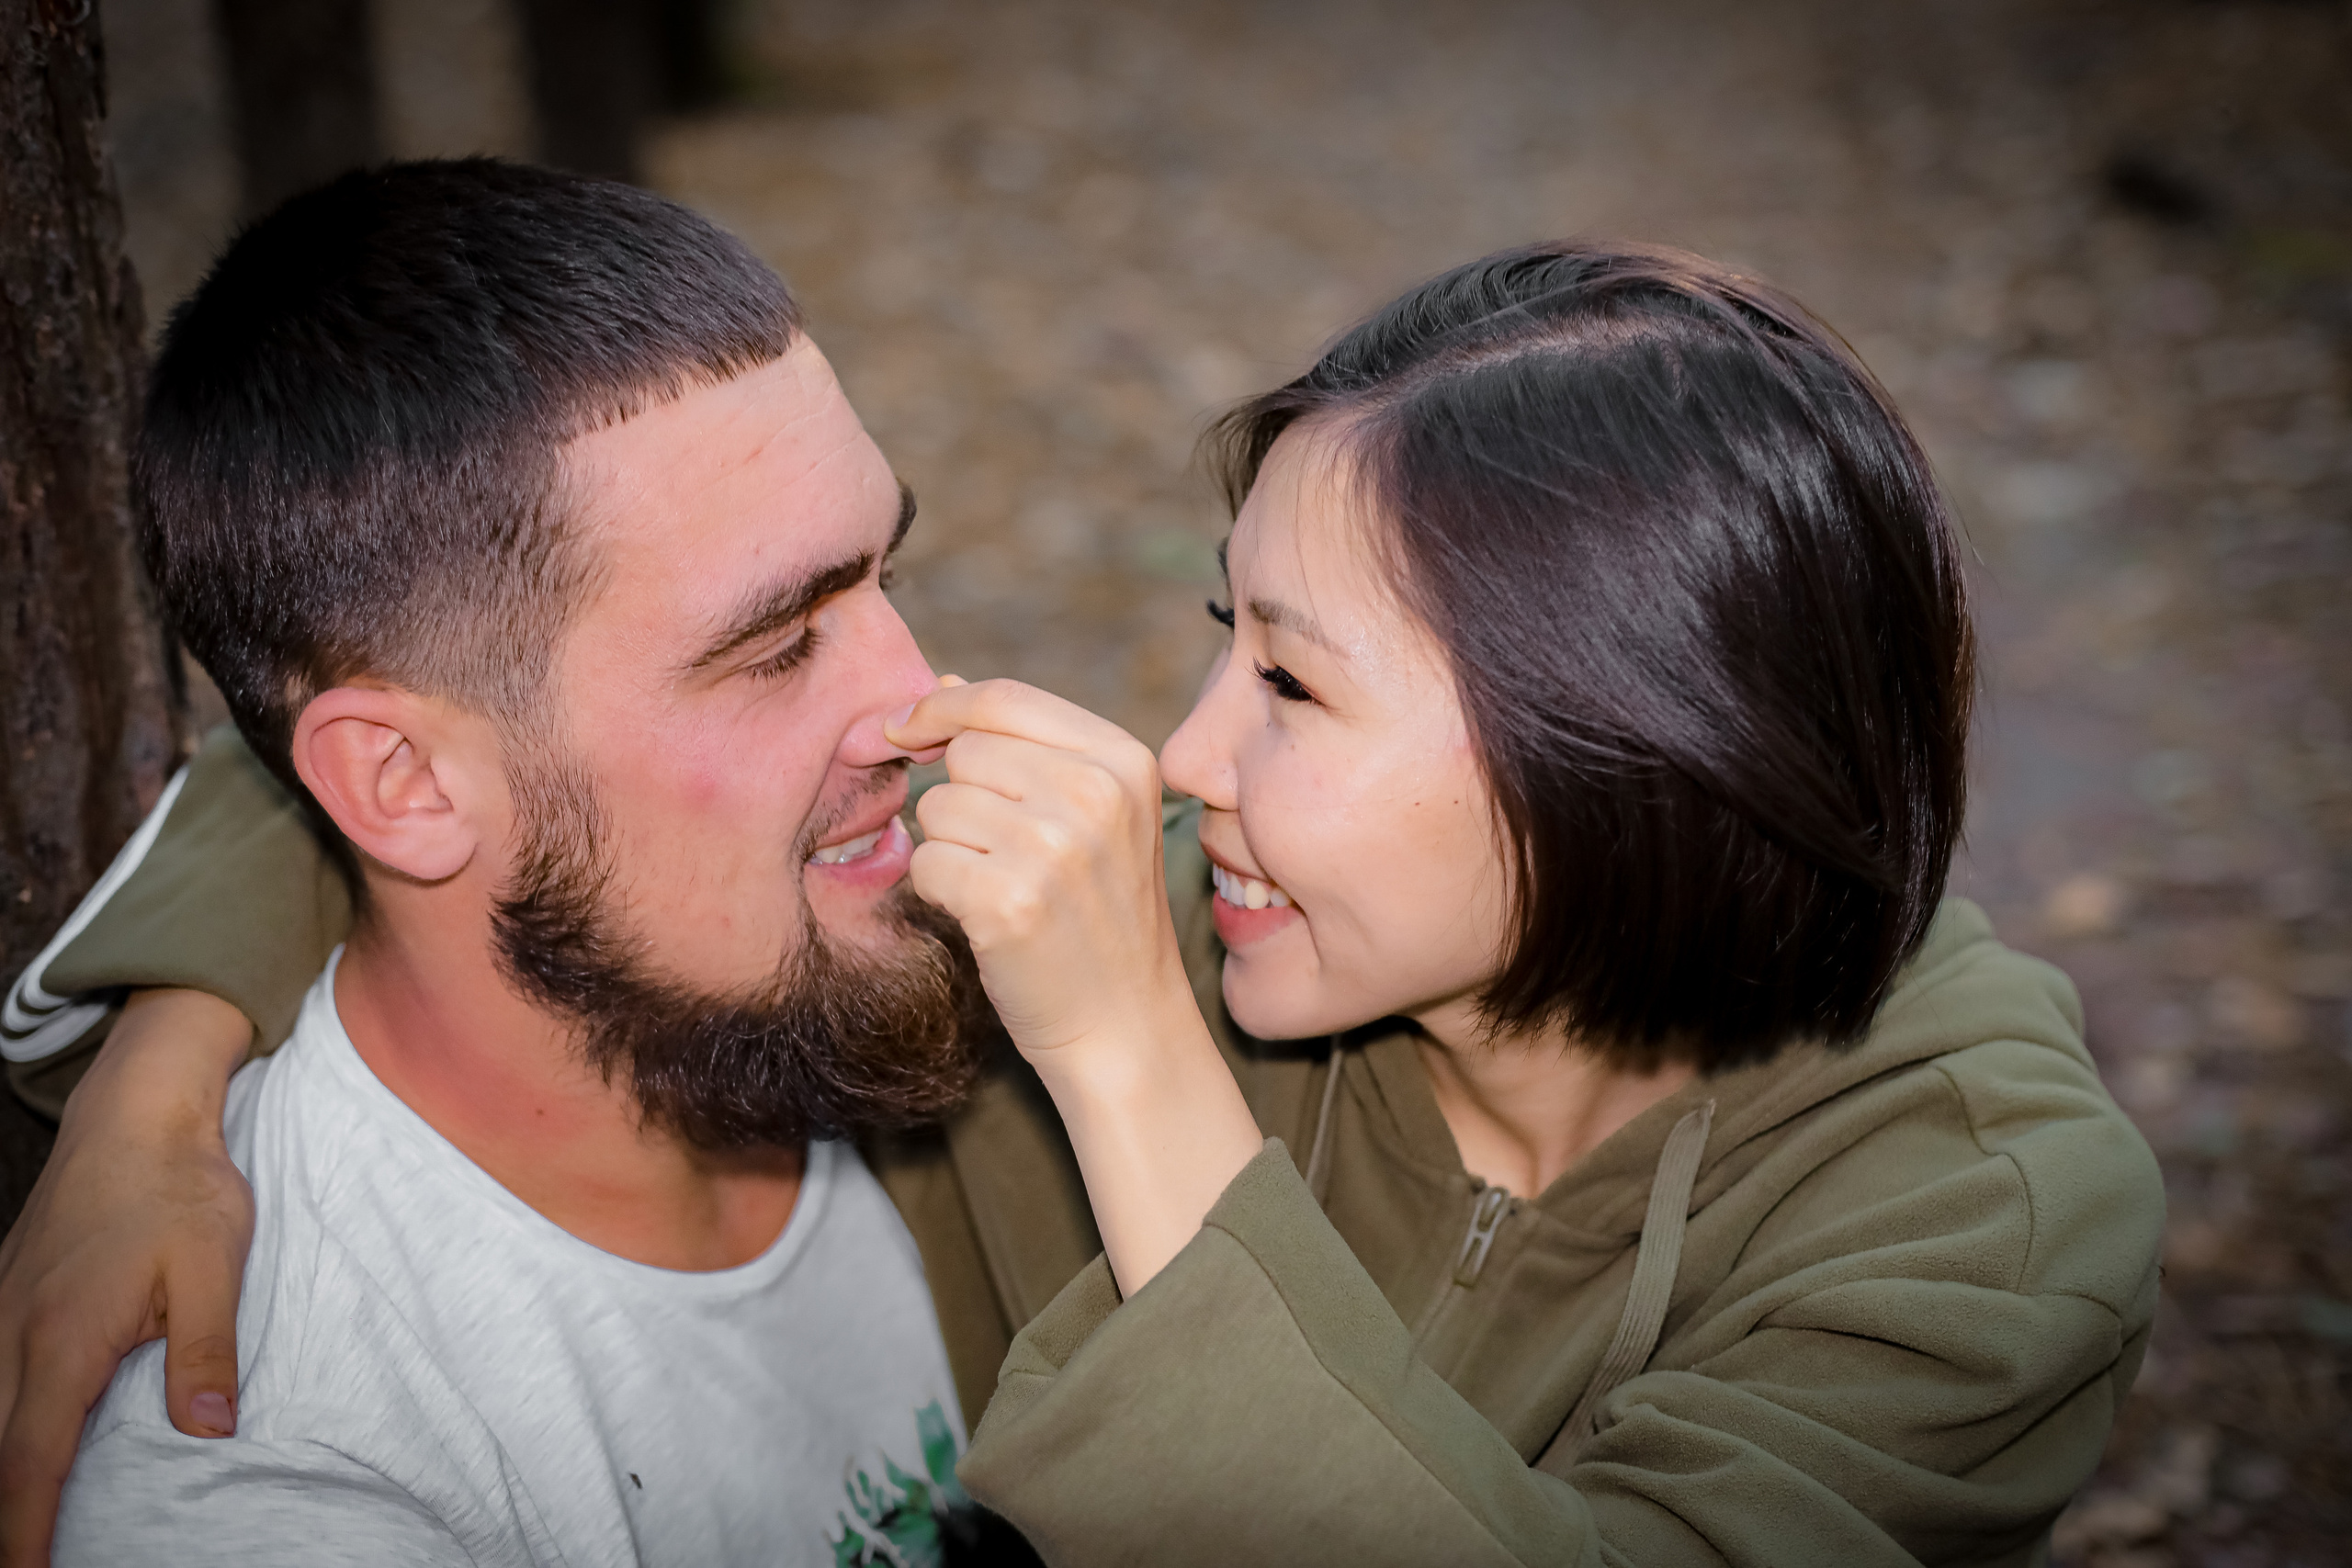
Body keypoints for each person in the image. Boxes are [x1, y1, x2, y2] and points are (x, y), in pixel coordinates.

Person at [2, 240, 2165, 1565]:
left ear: (1628, 754)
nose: (1185, 754)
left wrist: (1130, 1057)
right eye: (1220, 634)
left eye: (1294, 683)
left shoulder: (1970, 1202)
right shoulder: (1219, 895)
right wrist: (153, 1079)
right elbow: (483, 747)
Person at [3, 158, 1043, 1566]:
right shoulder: (279, 1484)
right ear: (405, 783)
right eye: (779, 646)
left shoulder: (930, 975)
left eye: (885, 581)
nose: (925, 703)